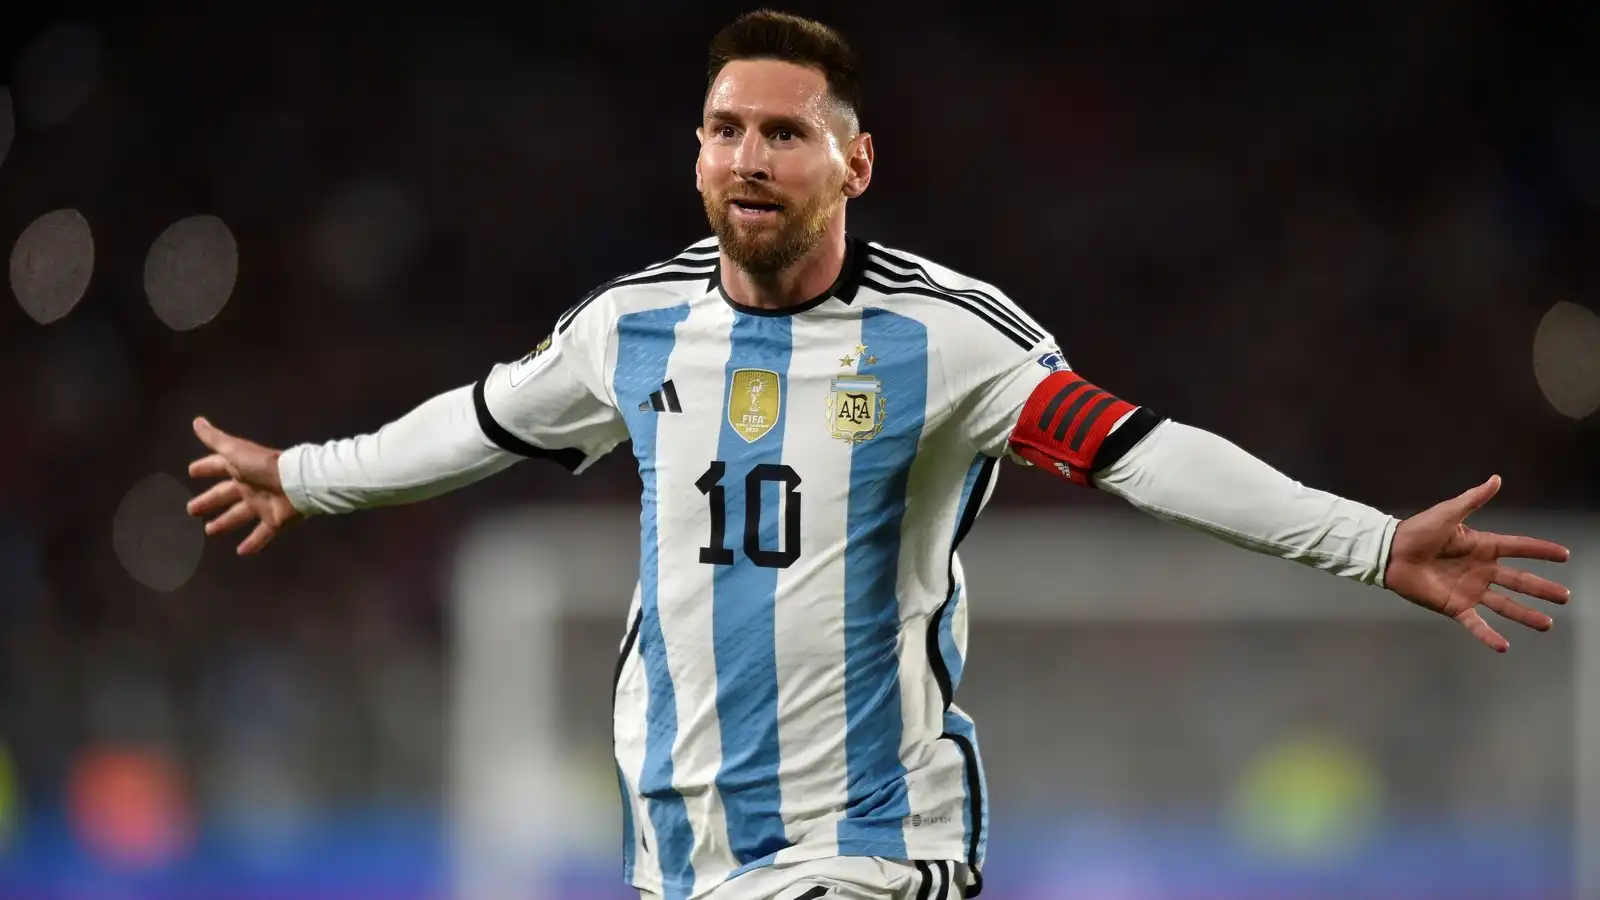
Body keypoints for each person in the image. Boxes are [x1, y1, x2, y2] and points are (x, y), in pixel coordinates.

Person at [185, 10, 1572, 900]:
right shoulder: (635, 331)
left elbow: (1144, 452)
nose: (747, 157)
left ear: (854, 164)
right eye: (724, 129)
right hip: (681, 856)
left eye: (784, 133)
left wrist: (1369, 540)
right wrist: (306, 476)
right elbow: (478, 421)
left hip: (871, 848)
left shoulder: (950, 343)